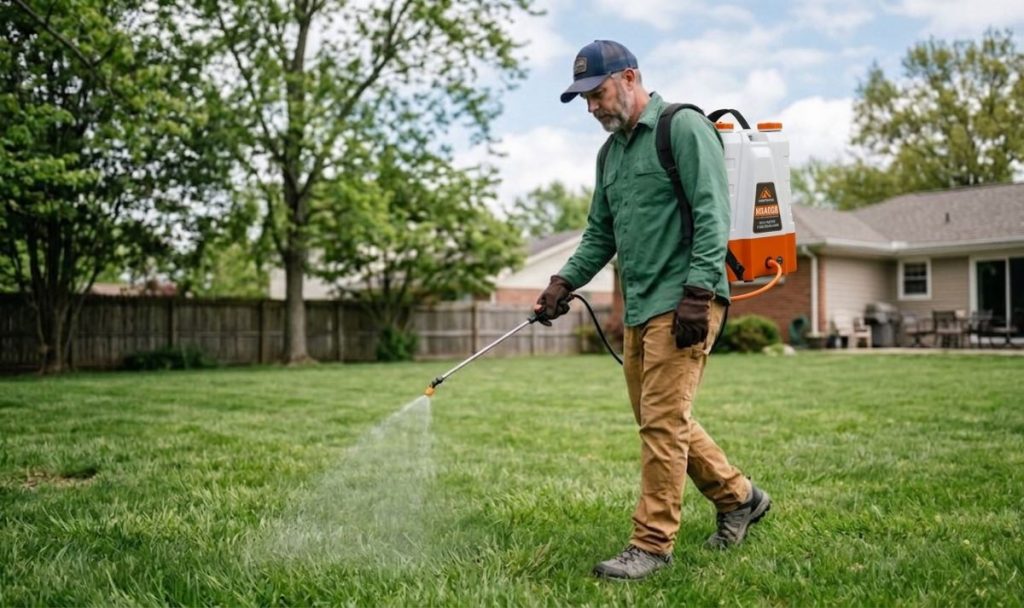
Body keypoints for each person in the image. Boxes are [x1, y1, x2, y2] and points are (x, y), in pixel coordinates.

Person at [534, 40, 771, 581]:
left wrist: (699, 291)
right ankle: (740, 498)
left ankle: (652, 544)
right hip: (641, 306)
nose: (591, 107)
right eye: (584, 100)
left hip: (686, 300)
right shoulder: (610, 154)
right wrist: (563, 281)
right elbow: (601, 233)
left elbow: (713, 211)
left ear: (630, 77)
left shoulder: (682, 128)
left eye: (597, 93)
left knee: (662, 424)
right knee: (660, 418)